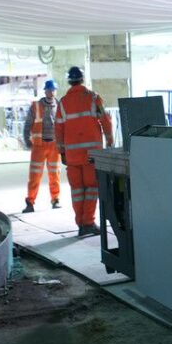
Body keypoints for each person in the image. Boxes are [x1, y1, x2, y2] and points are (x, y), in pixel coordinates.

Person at [55, 66, 114, 236]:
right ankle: (88, 222)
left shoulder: (63, 103)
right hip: (91, 155)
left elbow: (58, 128)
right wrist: (110, 141)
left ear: (69, 81)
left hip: (72, 156)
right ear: (82, 79)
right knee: (92, 187)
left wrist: (62, 152)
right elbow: (105, 120)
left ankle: (80, 224)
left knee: (77, 190)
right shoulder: (93, 98)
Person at [22, 79, 61, 213]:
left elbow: (63, 126)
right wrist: (27, 140)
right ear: (45, 91)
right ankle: (30, 202)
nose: (51, 92)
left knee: (54, 174)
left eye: (53, 90)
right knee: (34, 176)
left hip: (54, 146)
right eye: (49, 90)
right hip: (39, 146)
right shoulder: (36, 106)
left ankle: (55, 199)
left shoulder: (60, 106)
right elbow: (27, 124)